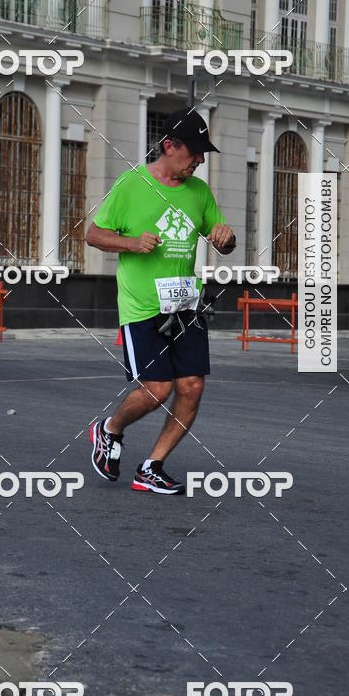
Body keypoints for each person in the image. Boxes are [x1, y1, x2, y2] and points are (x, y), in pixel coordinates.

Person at [86, 108, 235, 495]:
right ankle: (110, 429)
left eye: (204, 152)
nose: (200, 160)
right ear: (169, 146)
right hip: (142, 307)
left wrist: (225, 238)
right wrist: (131, 243)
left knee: (192, 387)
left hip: (185, 306)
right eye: (195, 151)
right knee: (157, 388)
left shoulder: (199, 191)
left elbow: (222, 239)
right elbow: (94, 234)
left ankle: (151, 466)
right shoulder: (131, 185)